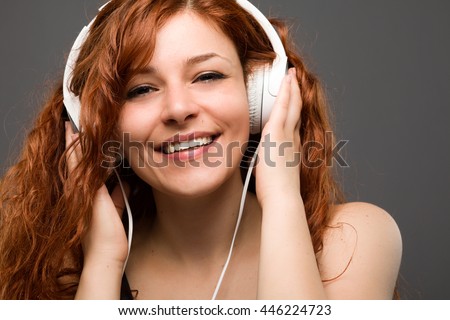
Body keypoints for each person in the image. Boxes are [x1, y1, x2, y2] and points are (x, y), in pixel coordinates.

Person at [0, 0, 402, 300]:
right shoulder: (68, 271)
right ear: (99, 123)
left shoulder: (351, 240)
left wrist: (282, 199)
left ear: (262, 95)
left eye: (207, 76)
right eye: (141, 89)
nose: (178, 109)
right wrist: (104, 263)